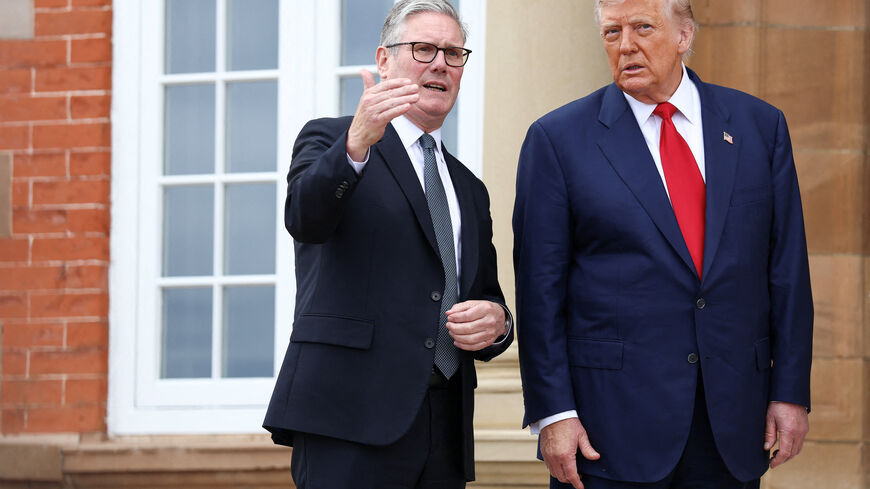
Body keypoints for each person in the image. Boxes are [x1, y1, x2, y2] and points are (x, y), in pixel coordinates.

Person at [513, 0, 813, 488]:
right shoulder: (558, 139)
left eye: (642, 28)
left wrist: (790, 392)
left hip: (733, 422)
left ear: (684, 35)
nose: (625, 44)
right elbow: (539, 291)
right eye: (612, 33)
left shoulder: (760, 126)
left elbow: (788, 273)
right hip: (608, 428)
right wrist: (553, 413)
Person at [263, 1, 513, 488]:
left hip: (443, 426)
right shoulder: (335, 139)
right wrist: (357, 143)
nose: (441, 63)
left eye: (453, 53)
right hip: (348, 419)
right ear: (383, 60)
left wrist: (499, 324)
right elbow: (305, 218)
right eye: (423, 49)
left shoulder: (468, 188)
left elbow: (485, 294)